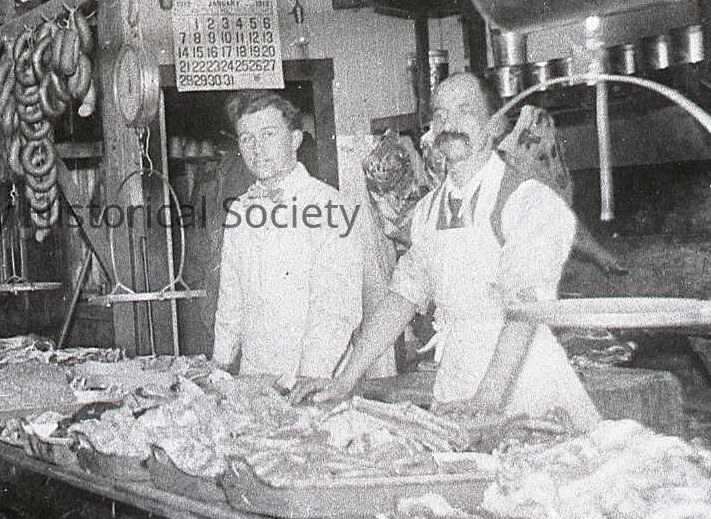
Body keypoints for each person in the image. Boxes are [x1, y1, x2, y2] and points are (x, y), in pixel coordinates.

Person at [304, 74, 598, 430]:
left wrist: (488, 399)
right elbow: (403, 297)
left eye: (465, 110)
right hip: (456, 383)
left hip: (524, 387)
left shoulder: (529, 201)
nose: (449, 123)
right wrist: (344, 380)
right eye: (440, 114)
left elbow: (526, 310)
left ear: (495, 125)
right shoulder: (428, 210)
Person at [210, 92, 384, 389]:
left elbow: (335, 309)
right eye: (247, 138)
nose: (257, 149)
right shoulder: (240, 209)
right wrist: (220, 364)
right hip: (254, 378)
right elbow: (231, 298)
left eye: (268, 134)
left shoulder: (331, 207)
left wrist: (306, 380)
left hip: (315, 380)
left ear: (295, 140)